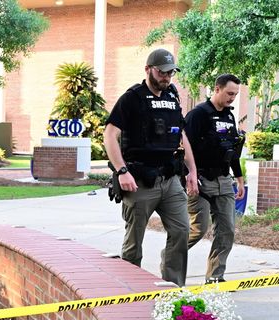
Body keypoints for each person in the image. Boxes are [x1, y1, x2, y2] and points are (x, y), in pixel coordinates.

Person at [104, 48, 198, 287]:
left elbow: (181, 136)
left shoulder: (173, 96)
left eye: (170, 73)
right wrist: (121, 171)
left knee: (181, 231)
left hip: (169, 179)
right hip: (140, 181)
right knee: (134, 241)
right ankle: (130, 289)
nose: (166, 77)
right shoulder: (132, 98)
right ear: (148, 70)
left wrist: (192, 171)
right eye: (162, 72)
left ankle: (172, 287)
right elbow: (109, 135)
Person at [184, 74, 245, 283]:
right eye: (229, 93)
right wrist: (189, 176)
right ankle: (171, 257)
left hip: (223, 179)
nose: (232, 98)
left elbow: (231, 149)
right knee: (198, 229)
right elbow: (184, 148)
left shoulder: (229, 116)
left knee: (227, 229)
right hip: (200, 179)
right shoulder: (198, 115)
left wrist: (239, 178)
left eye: (235, 94)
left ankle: (215, 277)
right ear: (217, 89)